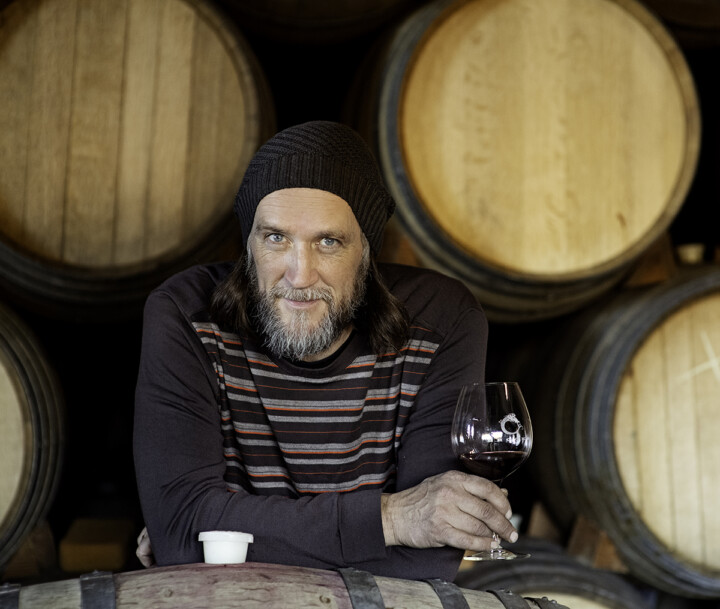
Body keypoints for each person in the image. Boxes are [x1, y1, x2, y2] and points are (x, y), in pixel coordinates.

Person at [133, 120, 518, 582]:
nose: (299, 275)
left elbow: (431, 555)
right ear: (249, 245)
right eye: (276, 238)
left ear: (366, 250)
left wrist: (223, 530)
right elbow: (180, 531)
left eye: (328, 242)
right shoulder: (186, 317)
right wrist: (393, 519)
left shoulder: (443, 321)